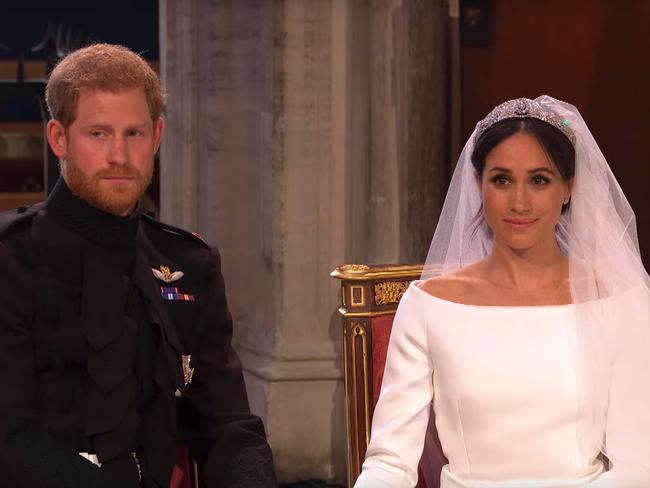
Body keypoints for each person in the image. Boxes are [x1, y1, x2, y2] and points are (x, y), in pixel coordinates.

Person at [0, 43, 277, 488]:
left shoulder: (189, 263)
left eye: (135, 134)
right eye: (98, 134)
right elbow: (12, 441)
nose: (119, 155)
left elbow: (229, 427)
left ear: (159, 136)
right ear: (59, 138)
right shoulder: (10, 259)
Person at [355, 96, 650, 488]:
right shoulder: (429, 306)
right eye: (502, 179)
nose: (520, 202)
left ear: (568, 188)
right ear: (478, 184)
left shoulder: (617, 300)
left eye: (539, 180)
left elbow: (638, 463)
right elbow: (390, 462)